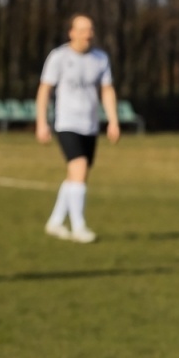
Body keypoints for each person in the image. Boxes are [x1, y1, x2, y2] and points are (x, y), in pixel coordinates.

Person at [37, 16, 120, 243]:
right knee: (79, 168)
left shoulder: (100, 58)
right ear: (71, 32)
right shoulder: (59, 57)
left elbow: (107, 91)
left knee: (76, 175)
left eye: (90, 30)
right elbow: (45, 90)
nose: (88, 34)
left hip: (90, 125)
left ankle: (55, 221)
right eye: (83, 30)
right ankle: (78, 227)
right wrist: (41, 122)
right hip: (66, 123)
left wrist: (113, 120)